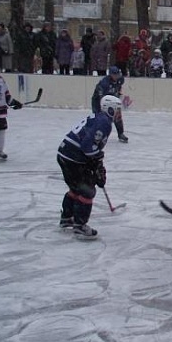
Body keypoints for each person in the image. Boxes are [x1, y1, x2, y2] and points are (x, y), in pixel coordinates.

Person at [57, 95, 122, 240]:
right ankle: (80, 226)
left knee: (76, 189)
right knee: (87, 191)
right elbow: (87, 147)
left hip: (66, 155)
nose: (119, 114)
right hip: (72, 157)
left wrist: (97, 162)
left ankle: (67, 218)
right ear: (110, 109)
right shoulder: (104, 122)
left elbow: (91, 146)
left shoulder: (100, 118)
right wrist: (97, 160)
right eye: (117, 110)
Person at [92, 66, 129, 143]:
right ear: (110, 74)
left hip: (113, 100)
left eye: (118, 74)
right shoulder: (104, 83)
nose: (117, 76)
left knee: (118, 117)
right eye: (115, 74)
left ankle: (121, 134)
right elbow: (100, 97)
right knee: (100, 119)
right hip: (99, 102)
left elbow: (119, 86)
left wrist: (118, 94)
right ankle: (97, 134)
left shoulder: (120, 79)